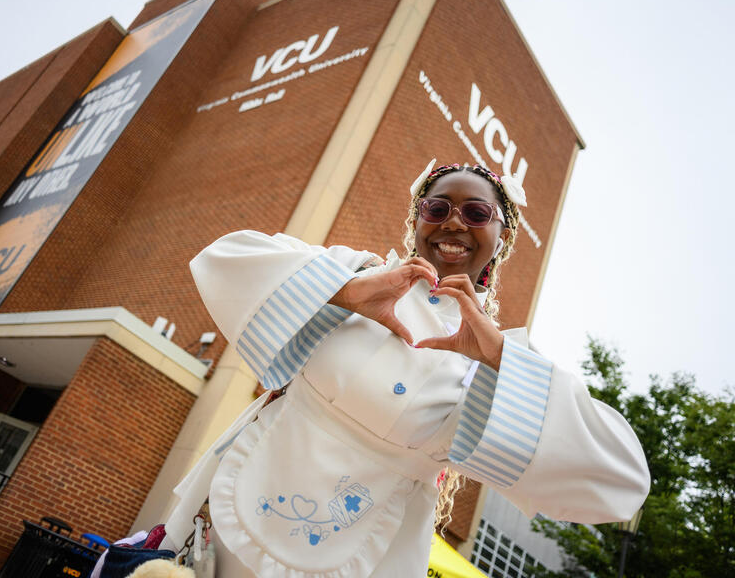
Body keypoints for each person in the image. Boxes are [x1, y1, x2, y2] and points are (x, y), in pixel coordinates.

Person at [160, 160, 650, 577]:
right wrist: (345, 295)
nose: (454, 223)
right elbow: (220, 257)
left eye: (477, 213)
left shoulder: (501, 360)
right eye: (437, 208)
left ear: (501, 238)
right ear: (418, 219)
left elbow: (623, 483)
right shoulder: (355, 272)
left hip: (373, 549)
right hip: (231, 507)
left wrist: (501, 358)